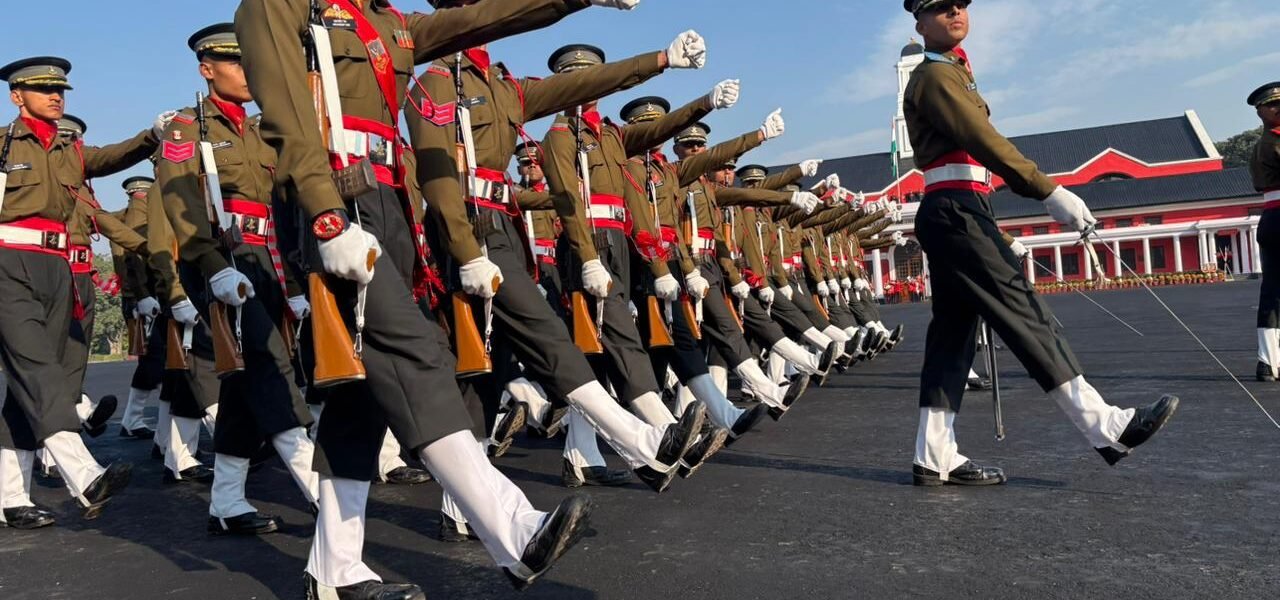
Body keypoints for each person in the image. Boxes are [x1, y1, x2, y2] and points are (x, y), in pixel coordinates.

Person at [235, 1, 649, 595]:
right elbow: (283, 107)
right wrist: (324, 214)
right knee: (418, 354)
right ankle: (512, 529)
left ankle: (333, 571)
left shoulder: (386, 21)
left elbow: (492, 18)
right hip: (331, 195)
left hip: (385, 203)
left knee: (359, 398)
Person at [902, 0, 1176, 485]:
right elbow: (983, 139)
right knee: (1025, 313)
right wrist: (1047, 189)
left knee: (951, 338)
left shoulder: (954, 74)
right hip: (956, 209)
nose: (955, 13)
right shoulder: (936, 77)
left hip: (958, 208)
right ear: (920, 22)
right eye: (941, 8)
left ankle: (933, 453)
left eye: (961, 5)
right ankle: (1104, 425)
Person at [0, 56, 161, 525]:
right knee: (40, 371)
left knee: (26, 391)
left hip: (58, 269)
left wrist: (151, 136)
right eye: (45, 89)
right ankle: (84, 475)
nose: (57, 96)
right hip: (9, 263)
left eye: (61, 90)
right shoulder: (4, 144)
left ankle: (11, 498)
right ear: (17, 96)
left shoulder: (69, 152)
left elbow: (111, 158)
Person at [1248, 81, 1280, 382]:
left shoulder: (1261, 145)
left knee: (1273, 291)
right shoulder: (1274, 142)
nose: (1279, 108)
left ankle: (1269, 361)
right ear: (1261, 112)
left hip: (1271, 217)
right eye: (1273, 105)